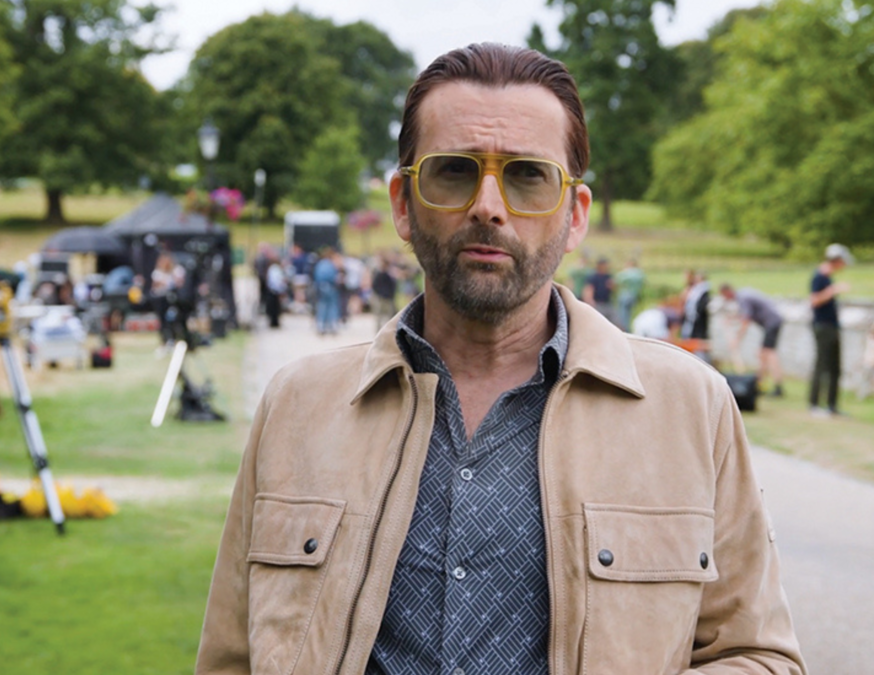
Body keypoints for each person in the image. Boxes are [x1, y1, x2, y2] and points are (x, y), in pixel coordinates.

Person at [195, 43, 805, 675]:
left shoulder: (690, 406)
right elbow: (230, 658)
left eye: (527, 176)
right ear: (403, 204)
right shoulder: (298, 404)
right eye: (455, 171)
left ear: (575, 216)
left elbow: (756, 654)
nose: (489, 205)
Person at [809, 243, 853, 417]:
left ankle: (832, 405)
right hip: (823, 327)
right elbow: (814, 301)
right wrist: (833, 290)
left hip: (833, 326)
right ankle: (814, 404)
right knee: (822, 365)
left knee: (835, 367)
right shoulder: (819, 276)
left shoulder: (828, 277)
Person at [720, 283, 786, 397]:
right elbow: (744, 316)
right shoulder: (743, 295)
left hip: (772, 322)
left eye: (724, 296)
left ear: (727, 292)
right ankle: (758, 385)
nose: (725, 299)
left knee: (769, 354)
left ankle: (777, 387)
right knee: (763, 354)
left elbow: (746, 321)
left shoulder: (742, 298)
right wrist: (731, 319)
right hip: (772, 322)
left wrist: (737, 340)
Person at [312, 247, 342, 335]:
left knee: (322, 306)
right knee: (332, 305)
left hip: (321, 286)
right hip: (330, 286)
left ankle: (321, 325)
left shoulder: (320, 264)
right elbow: (333, 277)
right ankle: (332, 325)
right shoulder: (330, 264)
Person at [582, 256, 618, 326]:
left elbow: (613, 288)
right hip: (597, 303)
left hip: (607, 303)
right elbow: (589, 289)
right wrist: (590, 301)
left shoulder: (608, 276)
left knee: (614, 322)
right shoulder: (593, 277)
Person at [614, 257, 645, 331]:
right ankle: (629, 330)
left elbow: (617, 280)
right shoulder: (639, 273)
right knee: (630, 314)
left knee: (623, 315)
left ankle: (625, 330)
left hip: (625, 296)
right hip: (633, 296)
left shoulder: (626, 272)